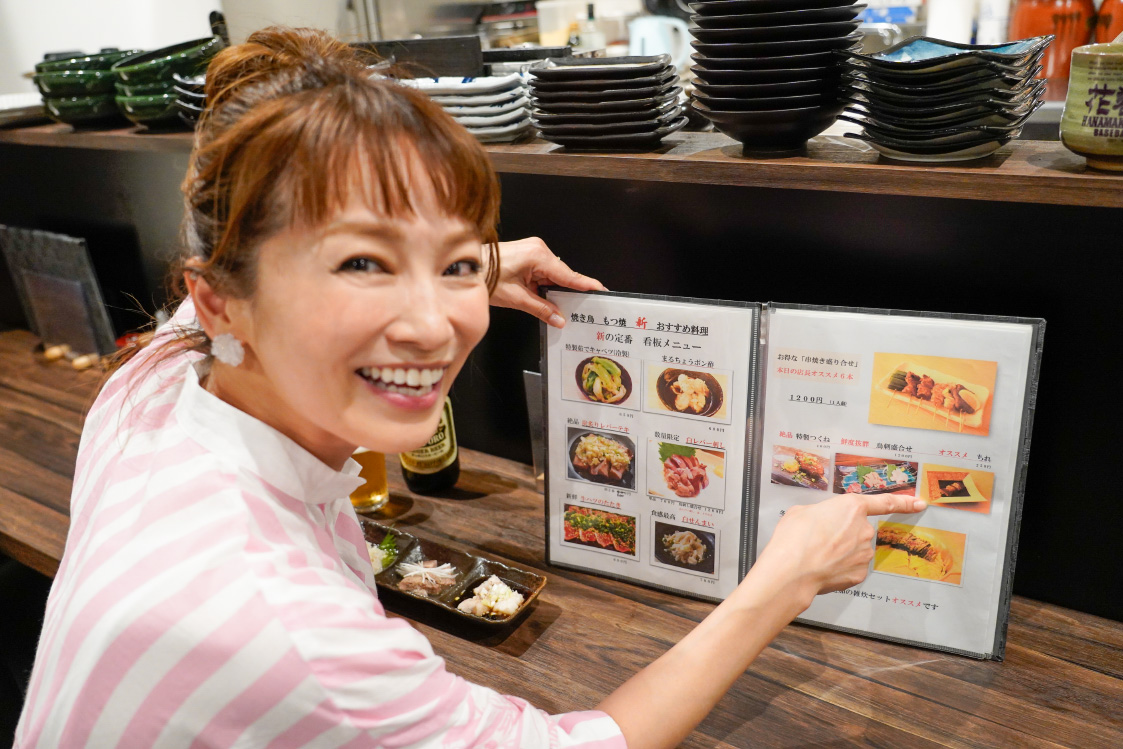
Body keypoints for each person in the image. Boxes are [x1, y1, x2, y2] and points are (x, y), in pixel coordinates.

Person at [15, 28, 924, 748]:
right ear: (222, 299)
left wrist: (467, 266)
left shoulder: (153, 383)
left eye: (451, 263)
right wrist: (787, 576)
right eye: (360, 260)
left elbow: (250, 287)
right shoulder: (294, 637)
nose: (432, 323)